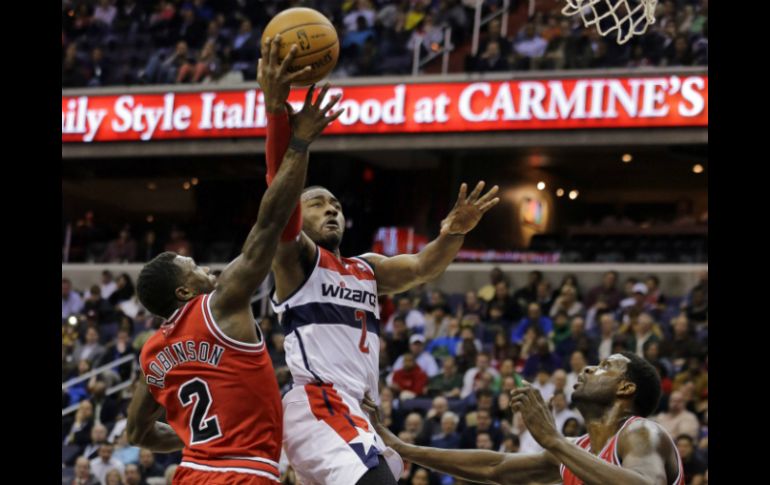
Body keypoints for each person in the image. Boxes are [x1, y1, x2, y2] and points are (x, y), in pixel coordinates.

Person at [267, 27, 501, 482]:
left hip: (360, 410)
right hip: (320, 402)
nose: (332, 210)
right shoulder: (296, 260)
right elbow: (279, 199)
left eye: (336, 205)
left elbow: (422, 268)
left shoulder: (366, 268)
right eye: (319, 204)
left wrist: (452, 233)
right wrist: (291, 133)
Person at [126, 37, 341, 485]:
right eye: (196, 268)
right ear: (186, 291)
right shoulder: (219, 304)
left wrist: (196, 441)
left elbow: (136, 432)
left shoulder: (151, 354)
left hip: (192, 473)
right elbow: (271, 221)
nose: (208, 270)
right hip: (242, 474)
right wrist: (297, 140)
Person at [363, 352, 685, 485]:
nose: (588, 368)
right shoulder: (577, 450)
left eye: (604, 367)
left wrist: (555, 441)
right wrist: (403, 448)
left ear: (626, 388)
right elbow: (495, 466)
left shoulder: (642, 432)